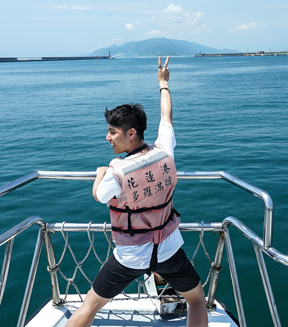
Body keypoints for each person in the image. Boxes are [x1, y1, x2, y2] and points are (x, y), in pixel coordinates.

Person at [65, 56, 208, 327]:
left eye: (112, 132)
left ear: (131, 133)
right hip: (167, 249)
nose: (107, 138)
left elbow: (99, 195)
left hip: (131, 254)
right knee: (197, 300)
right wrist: (163, 83)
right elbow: (167, 116)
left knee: (90, 305)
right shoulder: (164, 149)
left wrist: (100, 174)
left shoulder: (117, 172)